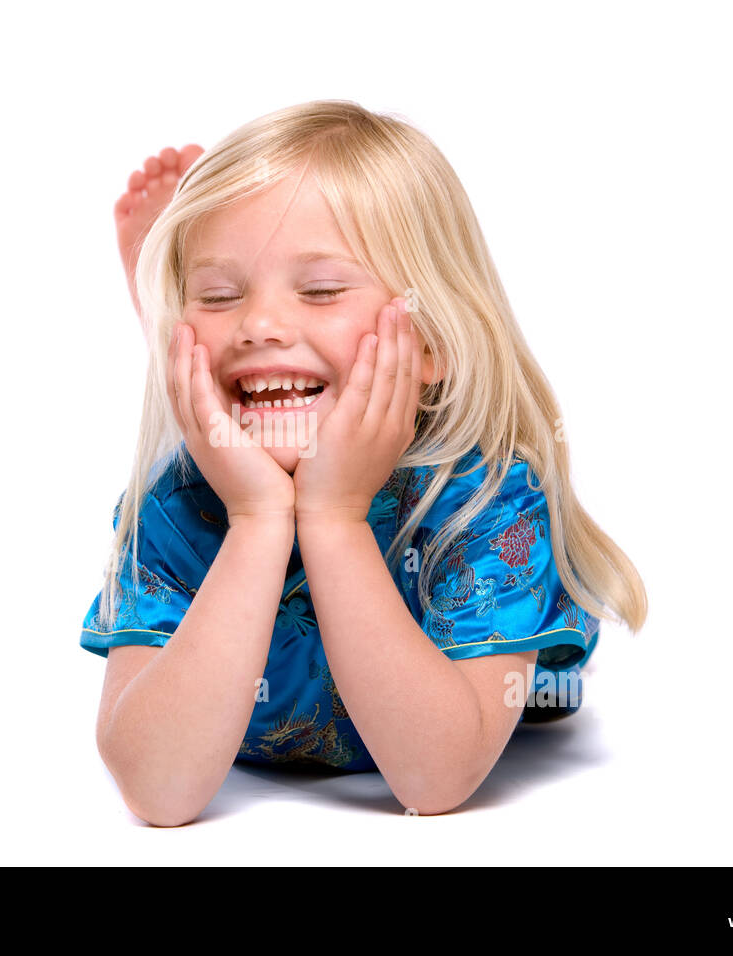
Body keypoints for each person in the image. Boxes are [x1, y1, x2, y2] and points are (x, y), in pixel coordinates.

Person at [80, 100, 647, 826]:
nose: (258, 324)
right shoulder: (175, 505)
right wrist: (256, 518)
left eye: (319, 289)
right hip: (243, 467)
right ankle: (177, 323)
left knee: (544, 699)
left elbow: (434, 779)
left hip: (508, 671)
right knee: (242, 379)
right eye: (220, 296)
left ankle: (186, 314)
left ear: (434, 340)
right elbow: (156, 792)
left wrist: (336, 518)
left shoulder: (487, 500)